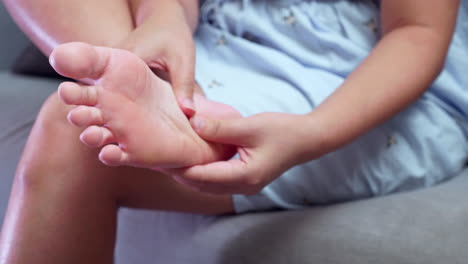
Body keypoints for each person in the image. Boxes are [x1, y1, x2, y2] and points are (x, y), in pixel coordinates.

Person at [1, 0, 467, 263]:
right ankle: (165, 87)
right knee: (83, 122)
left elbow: (415, 33)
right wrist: (162, 17)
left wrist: (308, 134)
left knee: (72, 133)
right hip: (219, 38)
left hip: (350, 77)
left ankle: (177, 108)